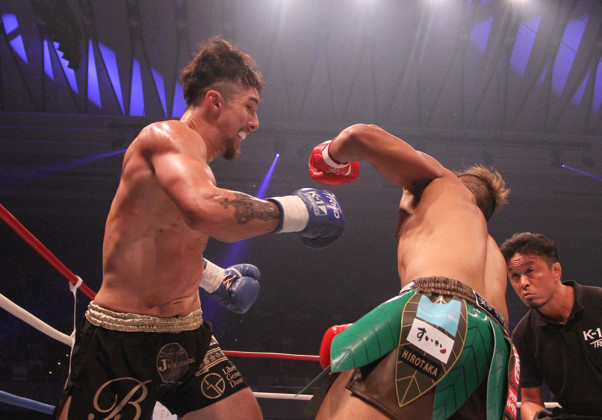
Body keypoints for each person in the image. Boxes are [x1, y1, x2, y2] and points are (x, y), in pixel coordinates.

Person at [53, 36, 345, 420]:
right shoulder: (167, 137)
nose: (255, 123)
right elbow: (205, 211)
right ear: (214, 102)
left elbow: (161, 239)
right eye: (249, 107)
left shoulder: (193, 162)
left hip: (187, 336)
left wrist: (215, 279)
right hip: (125, 339)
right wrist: (298, 211)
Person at [307, 124, 517, 419]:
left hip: (438, 313)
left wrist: (330, 158)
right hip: (496, 355)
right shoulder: (492, 253)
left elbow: (359, 136)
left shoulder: (444, 184)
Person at [500, 232, 602, 419]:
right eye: (515, 276)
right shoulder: (524, 335)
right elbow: (530, 401)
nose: (523, 283)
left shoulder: (598, 302)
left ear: (556, 271)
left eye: (530, 271)